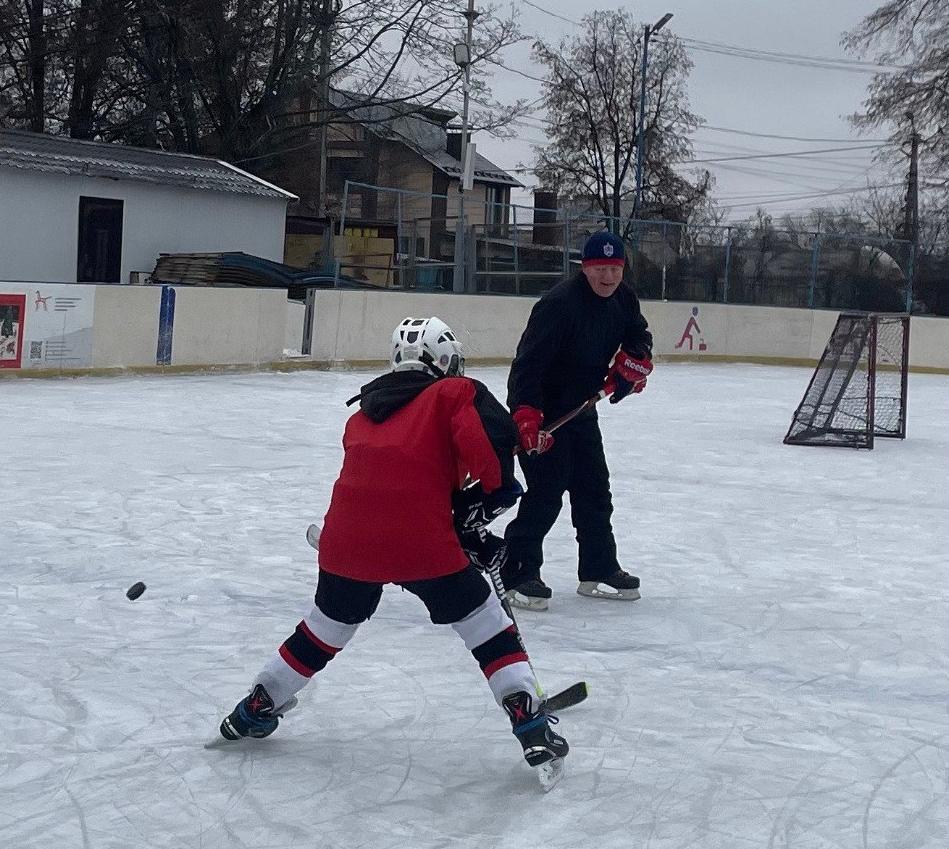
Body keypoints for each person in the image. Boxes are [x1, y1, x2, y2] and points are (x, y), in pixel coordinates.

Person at [213, 317, 568, 777]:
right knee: (484, 623)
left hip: (345, 541)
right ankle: (528, 719)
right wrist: (480, 512)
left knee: (327, 626)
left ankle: (258, 704)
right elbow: (493, 465)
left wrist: (458, 521)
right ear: (444, 361)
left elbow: (388, 483)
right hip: (420, 541)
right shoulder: (454, 393)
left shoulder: (360, 414)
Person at [501, 231, 654, 611]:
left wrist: (631, 366)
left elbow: (639, 336)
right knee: (546, 493)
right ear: (585, 268)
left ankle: (598, 568)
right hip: (544, 413)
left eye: (615, 268)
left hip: (583, 409)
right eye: (600, 268)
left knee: (594, 491)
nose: (608, 277)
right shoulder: (558, 305)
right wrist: (525, 415)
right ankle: (517, 572)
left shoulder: (624, 299)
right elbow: (527, 365)